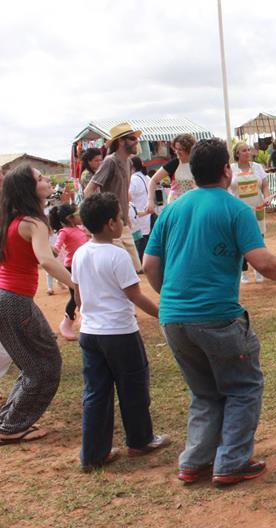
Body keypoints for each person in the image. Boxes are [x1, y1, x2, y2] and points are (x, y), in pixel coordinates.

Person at [143, 139, 276, 486]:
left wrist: (174, 298)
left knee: (205, 392)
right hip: (217, 317)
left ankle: (195, 462)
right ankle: (232, 462)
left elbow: (149, 264)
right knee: (243, 387)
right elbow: (262, 261)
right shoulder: (236, 209)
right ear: (227, 170)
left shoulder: (174, 209)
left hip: (174, 318)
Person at [72, 192, 170, 471]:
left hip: (90, 333)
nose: (123, 220)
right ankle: (140, 440)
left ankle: (93, 454)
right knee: (133, 388)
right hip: (120, 333)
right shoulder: (118, 255)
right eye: (119, 216)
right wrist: (163, 314)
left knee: (95, 392)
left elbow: (78, 297)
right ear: (109, 224)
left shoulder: (80, 253)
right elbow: (135, 295)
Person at [0, 165, 72, 445]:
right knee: (46, 366)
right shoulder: (34, 222)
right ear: (30, 189)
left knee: (30, 366)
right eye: (41, 178)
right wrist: (77, 284)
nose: (46, 181)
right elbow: (45, 260)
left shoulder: (10, 220)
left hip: (5, 298)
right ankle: (12, 426)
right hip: (17, 301)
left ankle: (9, 420)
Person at [83, 122, 142, 273]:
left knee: (136, 268)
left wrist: (126, 213)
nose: (137, 141)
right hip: (110, 225)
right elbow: (89, 190)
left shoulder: (128, 162)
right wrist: (101, 217)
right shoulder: (110, 161)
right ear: (121, 141)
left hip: (122, 223)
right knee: (123, 270)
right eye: (132, 138)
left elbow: (122, 192)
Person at [230, 143, 270, 283]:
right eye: (243, 150)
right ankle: (243, 271)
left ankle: (259, 270)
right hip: (238, 210)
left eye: (248, 150)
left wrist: (267, 197)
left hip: (257, 207)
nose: (247, 152)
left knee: (259, 238)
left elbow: (265, 185)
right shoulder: (231, 169)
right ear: (237, 154)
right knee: (239, 239)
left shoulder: (257, 167)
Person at [50, 203, 89, 341]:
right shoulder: (64, 232)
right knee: (75, 296)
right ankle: (66, 324)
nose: (80, 216)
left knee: (86, 294)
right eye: (77, 214)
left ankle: (84, 319)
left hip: (85, 266)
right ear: (70, 218)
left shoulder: (79, 228)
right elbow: (56, 248)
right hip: (72, 267)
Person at [146, 133, 197, 214]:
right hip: (175, 206)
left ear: (189, 149)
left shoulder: (198, 163)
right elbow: (153, 180)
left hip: (194, 205)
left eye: (180, 149)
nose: (177, 152)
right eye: (175, 149)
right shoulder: (174, 163)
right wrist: (150, 200)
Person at [128, 156, 152, 261]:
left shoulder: (133, 179)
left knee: (139, 244)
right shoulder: (147, 178)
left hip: (137, 216)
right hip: (146, 214)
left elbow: (128, 196)